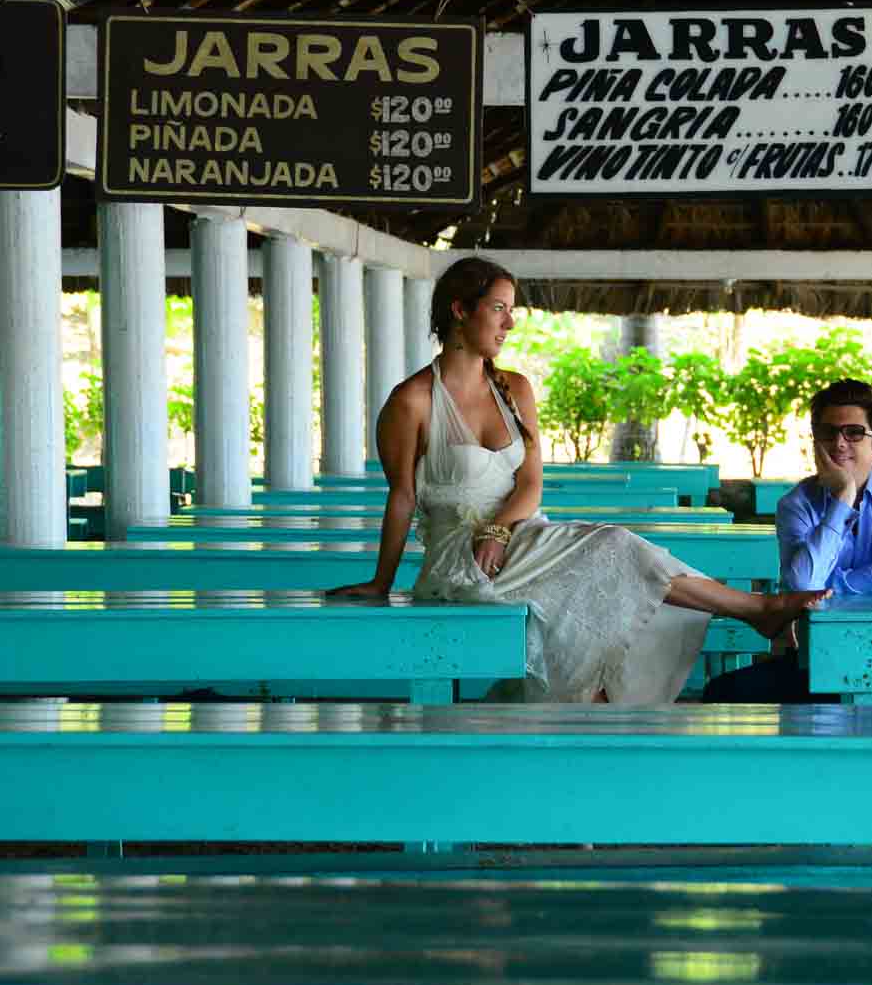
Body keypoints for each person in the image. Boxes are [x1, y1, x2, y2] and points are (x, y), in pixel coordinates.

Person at [328, 255, 827, 704]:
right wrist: (381, 582)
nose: (511, 321)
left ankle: (597, 712)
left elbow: (530, 486)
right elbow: (402, 497)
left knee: (610, 567)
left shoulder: (515, 389)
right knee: (613, 548)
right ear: (460, 310)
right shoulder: (412, 400)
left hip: (522, 536)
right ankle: (758, 609)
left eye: (511, 309)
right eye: (499, 308)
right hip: (462, 559)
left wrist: (501, 529)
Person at [700, 378, 872, 704]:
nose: (838, 443)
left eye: (854, 433)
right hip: (819, 657)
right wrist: (843, 499)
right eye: (827, 433)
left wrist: (824, 589)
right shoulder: (796, 504)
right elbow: (801, 582)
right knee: (720, 694)